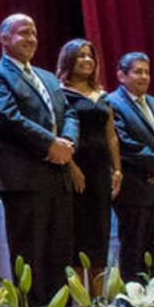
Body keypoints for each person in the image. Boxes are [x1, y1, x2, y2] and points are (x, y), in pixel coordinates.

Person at [0, 13, 78, 307]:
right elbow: (7, 116)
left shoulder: (47, 77)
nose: (31, 38)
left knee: (60, 252)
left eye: (33, 32)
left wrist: (67, 143)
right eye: (23, 33)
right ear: (4, 39)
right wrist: (50, 143)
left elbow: (69, 113)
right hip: (24, 178)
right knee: (30, 255)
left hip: (58, 176)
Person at [108, 52, 154, 279]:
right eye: (137, 71)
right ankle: (134, 303)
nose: (144, 77)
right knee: (133, 249)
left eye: (147, 72)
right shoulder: (113, 103)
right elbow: (124, 142)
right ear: (121, 75)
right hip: (134, 189)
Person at [56, 39, 122, 280]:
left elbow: (111, 135)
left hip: (100, 172)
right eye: (80, 56)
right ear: (68, 60)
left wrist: (117, 170)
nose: (86, 60)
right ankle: (78, 304)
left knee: (99, 235)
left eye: (90, 56)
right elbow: (57, 132)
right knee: (78, 237)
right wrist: (71, 167)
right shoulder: (60, 92)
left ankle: (97, 303)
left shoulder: (102, 95)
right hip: (75, 171)